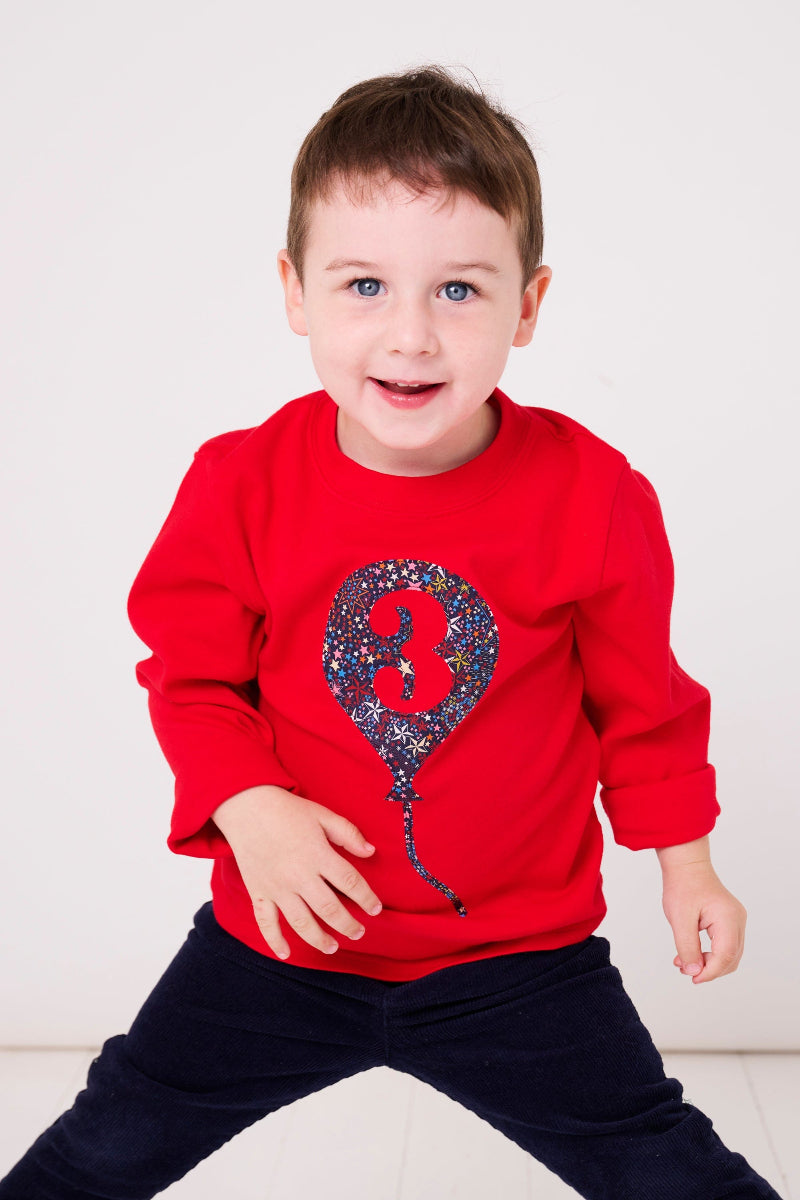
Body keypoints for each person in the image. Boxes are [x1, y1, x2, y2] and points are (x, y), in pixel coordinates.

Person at [0, 64, 783, 1200]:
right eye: (363, 284)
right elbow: (191, 676)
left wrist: (689, 867)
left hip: (519, 964)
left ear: (527, 302)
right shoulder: (241, 483)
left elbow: (645, 709)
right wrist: (248, 804)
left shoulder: (592, 495)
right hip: (280, 945)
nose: (409, 335)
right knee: (109, 1142)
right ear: (293, 291)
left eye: (458, 292)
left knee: (658, 1164)